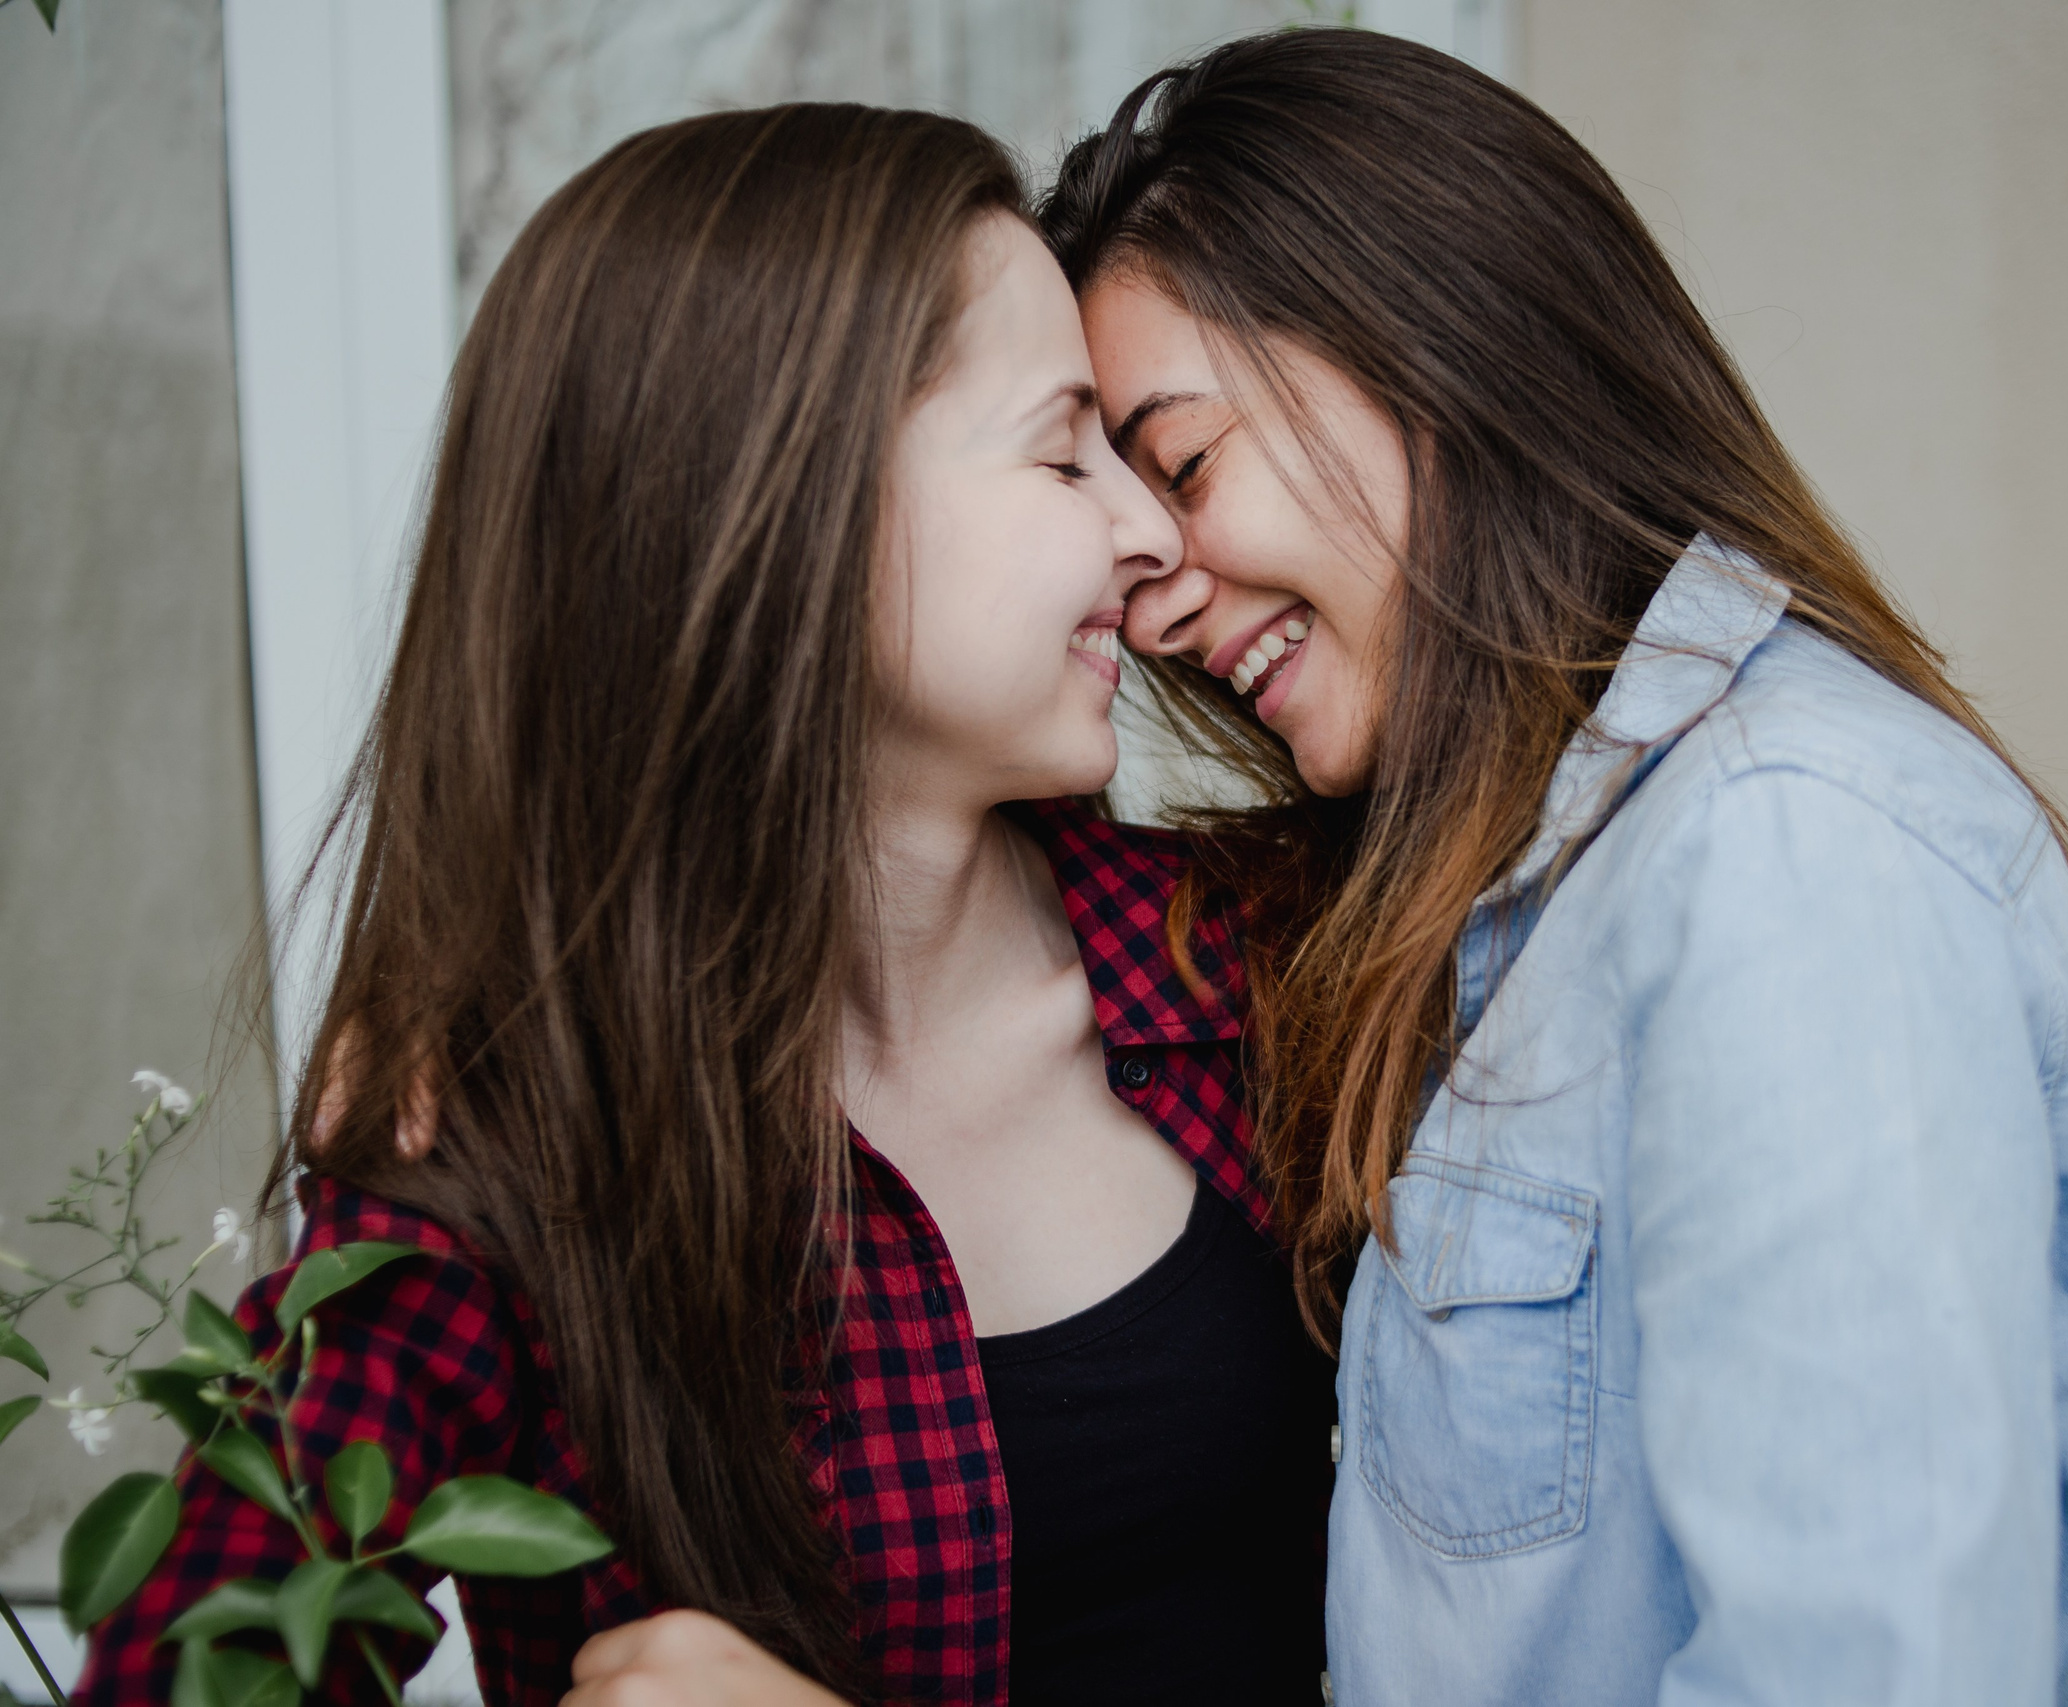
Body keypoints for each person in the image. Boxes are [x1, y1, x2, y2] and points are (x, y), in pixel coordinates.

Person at [76, 104, 1332, 1707]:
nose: (1152, 532)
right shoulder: (505, 1164)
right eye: (1059, 447)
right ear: (789, 507)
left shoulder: (1260, 968)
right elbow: (192, 1674)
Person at [1042, 28, 2068, 1706]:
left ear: (1432, 337)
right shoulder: (1507, 896)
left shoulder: (1789, 850)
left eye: (1183, 466)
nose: (1156, 598)